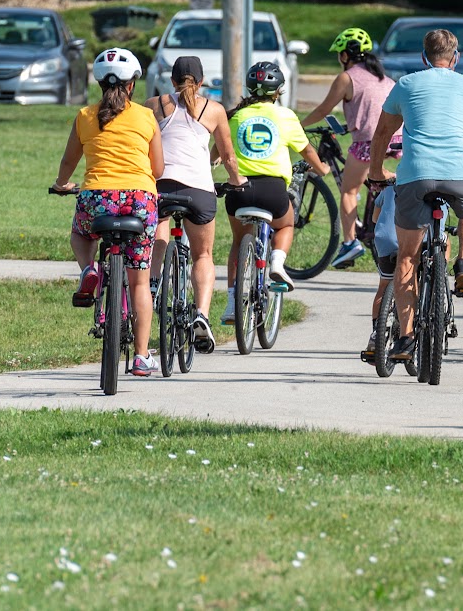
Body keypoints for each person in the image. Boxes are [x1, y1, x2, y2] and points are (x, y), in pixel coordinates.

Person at [368, 29, 463, 363]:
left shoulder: (408, 84)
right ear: (456, 58)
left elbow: (383, 132)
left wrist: (373, 173)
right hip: (462, 176)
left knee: (408, 259)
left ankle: (406, 337)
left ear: (424, 58)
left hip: (416, 176)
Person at [53, 47, 165, 378]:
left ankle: (90, 269)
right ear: (132, 84)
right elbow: (157, 168)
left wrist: (62, 184)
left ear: (99, 83)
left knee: (79, 233)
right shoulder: (146, 116)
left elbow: (68, 162)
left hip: (96, 198)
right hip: (139, 202)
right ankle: (143, 356)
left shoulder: (85, 116)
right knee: (139, 281)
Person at [145, 55, 245, 354]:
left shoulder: (153, 105)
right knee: (203, 254)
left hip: (161, 185)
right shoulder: (213, 109)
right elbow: (227, 155)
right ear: (201, 82)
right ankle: (201, 314)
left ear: (171, 80)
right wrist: (237, 180)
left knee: (157, 239)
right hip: (198, 191)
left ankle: (152, 283)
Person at [224, 61, 329, 317]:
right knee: (286, 224)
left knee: (238, 242)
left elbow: (219, 153)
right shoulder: (286, 116)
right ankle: (277, 263)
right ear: (278, 90)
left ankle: (230, 304)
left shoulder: (236, 116)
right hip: (273, 190)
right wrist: (321, 169)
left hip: (239, 191)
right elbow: (307, 150)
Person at [300, 27, 400, 268]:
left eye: (339, 54)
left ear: (346, 55)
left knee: (348, 190)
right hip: (397, 139)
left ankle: (349, 243)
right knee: (377, 181)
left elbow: (324, 110)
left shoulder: (347, 78)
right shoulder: (384, 78)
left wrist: (298, 124)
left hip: (368, 142)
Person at [360, 178, 399, 362]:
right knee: (413, 282)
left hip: (386, 241)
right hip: (412, 241)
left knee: (384, 286)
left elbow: (375, 218)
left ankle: (376, 335)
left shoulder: (390, 186)